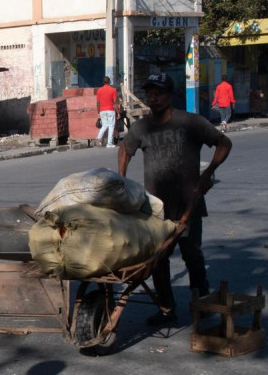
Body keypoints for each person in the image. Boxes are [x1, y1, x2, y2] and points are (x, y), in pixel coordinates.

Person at [118, 74, 232, 326]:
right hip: (157, 209)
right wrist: (122, 180)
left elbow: (223, 142)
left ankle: (202, 301)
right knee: (158, 260)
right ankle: (166, 308)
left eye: (158, 93)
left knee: (192, 255)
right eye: (149, 93)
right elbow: (125, 149)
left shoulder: (190, 122)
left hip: (188, 203)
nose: (153, 98)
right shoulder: (143, 127)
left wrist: (207, 174)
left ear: (170, 95)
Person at [95, 77, 118, 148]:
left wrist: (98, 112)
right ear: (109, 82)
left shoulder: (99, 90)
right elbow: (115, 103)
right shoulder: (113, 90)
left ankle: (99, 138)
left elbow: (98, 103)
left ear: (103, 82)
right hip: (110, 110)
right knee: (111, 126)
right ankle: (109, 143)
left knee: (104, 125)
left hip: (102, 110)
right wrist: (118, 112)